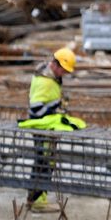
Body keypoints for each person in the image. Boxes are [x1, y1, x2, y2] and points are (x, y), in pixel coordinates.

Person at [19, 48, 86, 211]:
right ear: (56, 65)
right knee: (44, 162)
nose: (64, 73)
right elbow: (36, 109)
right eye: (64, 70)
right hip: (43, 128)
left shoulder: (49, 76)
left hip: (46, 128)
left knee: (43, 161)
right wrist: (55, 107)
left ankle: (35, 199)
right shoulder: (45, 81)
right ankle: (37, 201)